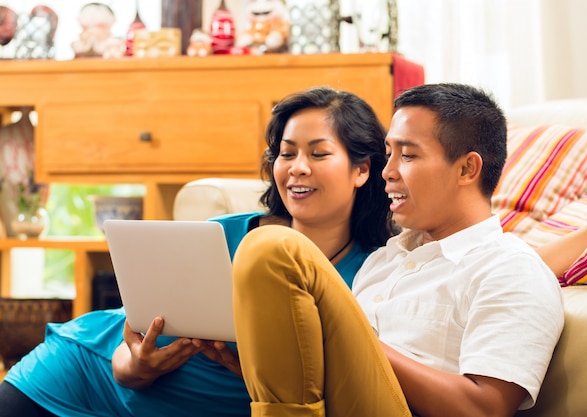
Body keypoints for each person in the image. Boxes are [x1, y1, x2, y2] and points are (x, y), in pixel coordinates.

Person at [0, 86, 396, 416]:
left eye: (318, 153)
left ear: (361, 169)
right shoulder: (221, 235)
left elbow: (347, 385)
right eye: (287, 153)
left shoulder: (378, 270)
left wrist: (266, 374)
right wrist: (137, 365)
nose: (297, 167)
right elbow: (126, 345)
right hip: (80, 379)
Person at [229, 83, 566, 416]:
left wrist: (350, 340)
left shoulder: (509, 268)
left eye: (407, 155)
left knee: (272, 247)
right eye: (388, 154)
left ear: (467, 169)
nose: (387, 172)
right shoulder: (381, 262)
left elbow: (484, 409)